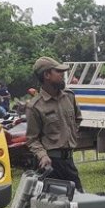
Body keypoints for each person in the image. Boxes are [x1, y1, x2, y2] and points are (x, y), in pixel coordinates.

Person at [25, 56, 84, 191]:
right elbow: (32, 139)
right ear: (46, 75)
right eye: (58, 72)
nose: (62, 75)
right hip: (50, 165)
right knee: (52, 206)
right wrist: (42, 155)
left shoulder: (69, 96)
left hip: (68, 162)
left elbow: (77, 119)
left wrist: (70, 135)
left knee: (79, 202)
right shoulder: (35, 106)